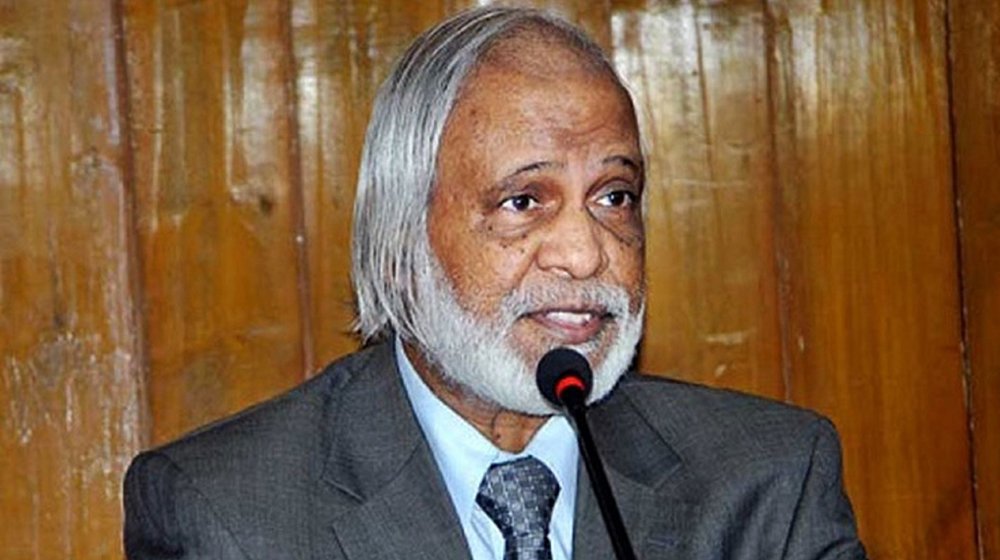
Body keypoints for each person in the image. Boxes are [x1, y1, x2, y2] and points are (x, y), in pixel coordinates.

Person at [123, 6, 867, 559]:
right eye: (523, 202)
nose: (584, 254)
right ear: (399, 247)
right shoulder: (228, 513)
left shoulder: (769, 481)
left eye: (614, 197)